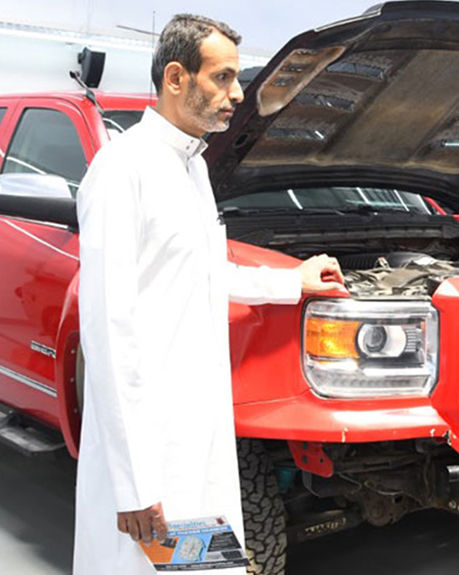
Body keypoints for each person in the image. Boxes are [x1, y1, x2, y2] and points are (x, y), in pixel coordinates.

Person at [73, 14, 345, 575]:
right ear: (176, 77)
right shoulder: (124, 171)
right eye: (222, 78)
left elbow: (204, 272)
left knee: (204, 568)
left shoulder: (190, 167)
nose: (237, 94)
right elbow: (108, 330)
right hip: (153, 452)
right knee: (146, 567)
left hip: (197, 432)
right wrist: (134, 482)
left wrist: (289, 283)